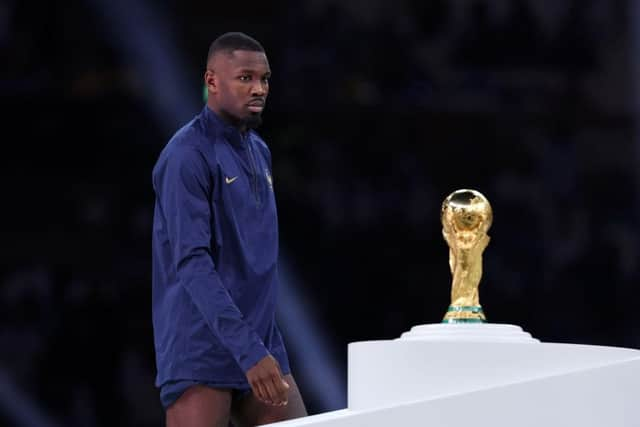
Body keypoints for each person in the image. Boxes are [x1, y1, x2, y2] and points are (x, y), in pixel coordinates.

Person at [151, 32, 307, 427]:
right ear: (212, 81)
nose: (259, 89)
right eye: (245, 78)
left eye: (265, 79)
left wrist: (261, 346)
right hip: (201, 345)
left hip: (260, 340)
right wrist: (247, 350)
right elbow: (192, 263)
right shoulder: (186, 154)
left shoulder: (259, 150)